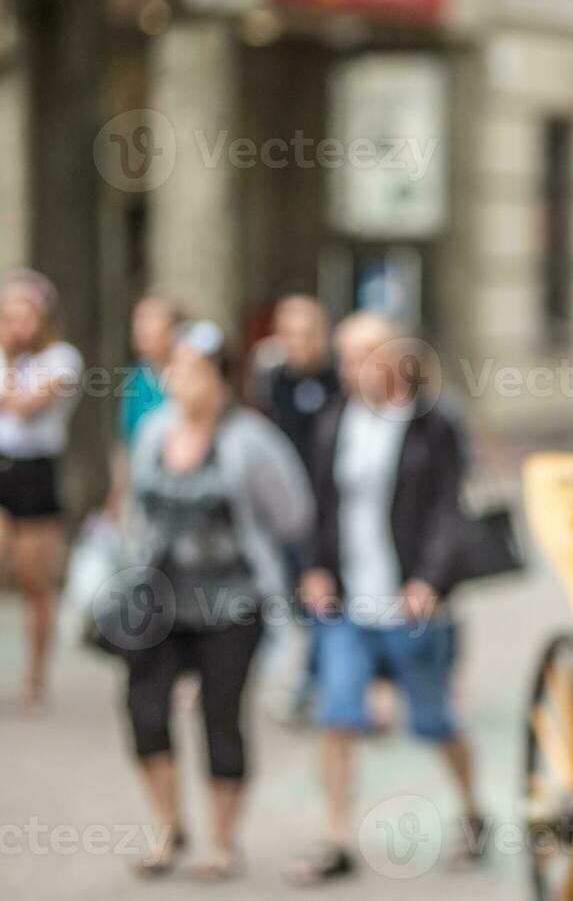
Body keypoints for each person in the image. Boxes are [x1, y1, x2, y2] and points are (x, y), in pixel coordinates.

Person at [290, 312, 484, 883]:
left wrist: (429, 579)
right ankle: (334, 837)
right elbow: (321, 505)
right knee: (338, 715)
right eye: (345, 357)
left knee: (435, 721)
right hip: (350, 602)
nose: (350, 370)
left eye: (363, 356)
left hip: (410, 603)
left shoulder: (433, 424)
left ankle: (473, 813)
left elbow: (450, 509)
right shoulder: (335, 420)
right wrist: (315, 568)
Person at [122, 322, 313, 879]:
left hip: (233, 603)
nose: (181, 381)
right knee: (144, 708)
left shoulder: (251, 439)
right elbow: (137, 505)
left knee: (220, 716)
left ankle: (222, 841)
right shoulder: (155, 431)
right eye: (175, 370)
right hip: (159, 602)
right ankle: (168, 825)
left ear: (222, 380)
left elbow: (294, 513)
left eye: (193, 371)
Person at [0, 269, 83, 713]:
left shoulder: (62, 359)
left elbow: (26, 406)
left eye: (24, 315)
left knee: (36, 582)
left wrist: (12, 364)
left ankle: (35, 675)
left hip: (35, 471)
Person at [259, 295, 339, 463]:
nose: (298, 344)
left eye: (306, 335)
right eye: (289, 334)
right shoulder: (271, 379)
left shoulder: (340, 381)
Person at [119, 294, 180, 448]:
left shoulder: (188, 376)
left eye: (151, 318)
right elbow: (126, 435)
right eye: (138, 318)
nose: (140, 327)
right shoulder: (137, 376)